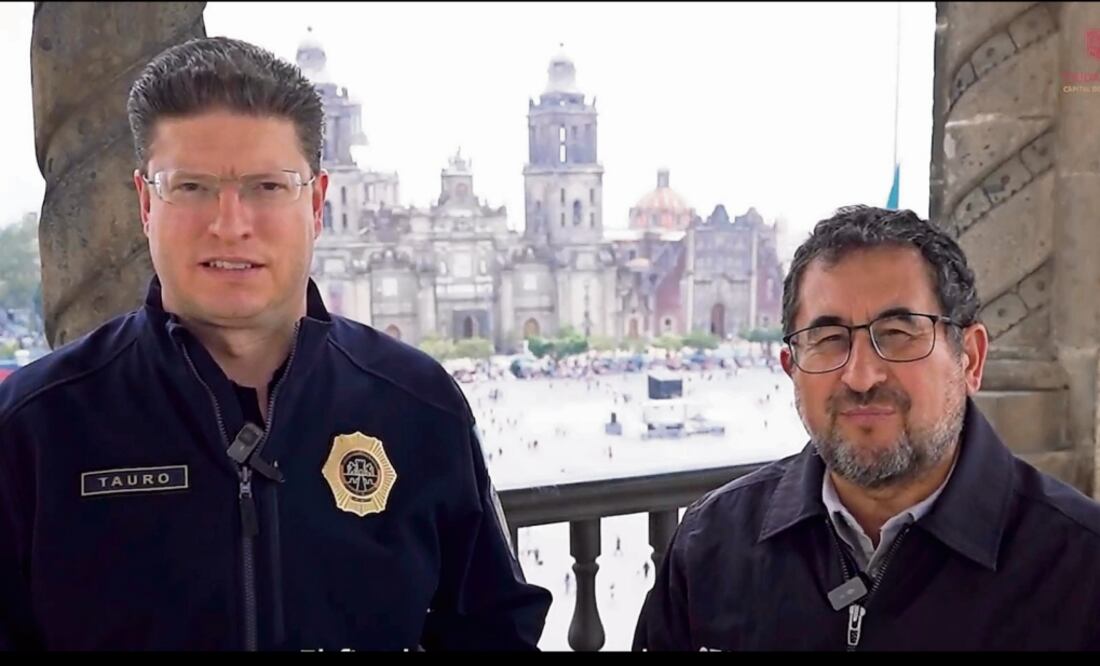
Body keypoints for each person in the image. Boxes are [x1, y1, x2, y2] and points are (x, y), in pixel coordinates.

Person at [0, 36, 550, 651]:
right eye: (190, 187)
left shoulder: (420, 407)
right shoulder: (35, 429)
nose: (230, 224)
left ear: (316, 203)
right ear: (144, 204)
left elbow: (493, 631)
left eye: (267, 186)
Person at [633, 205, 1100, 651]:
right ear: (791, 367)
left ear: (970, 359)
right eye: (829, 340)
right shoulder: (710, 547)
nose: (860, 376)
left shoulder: (1080, 568)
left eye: (898, 334)